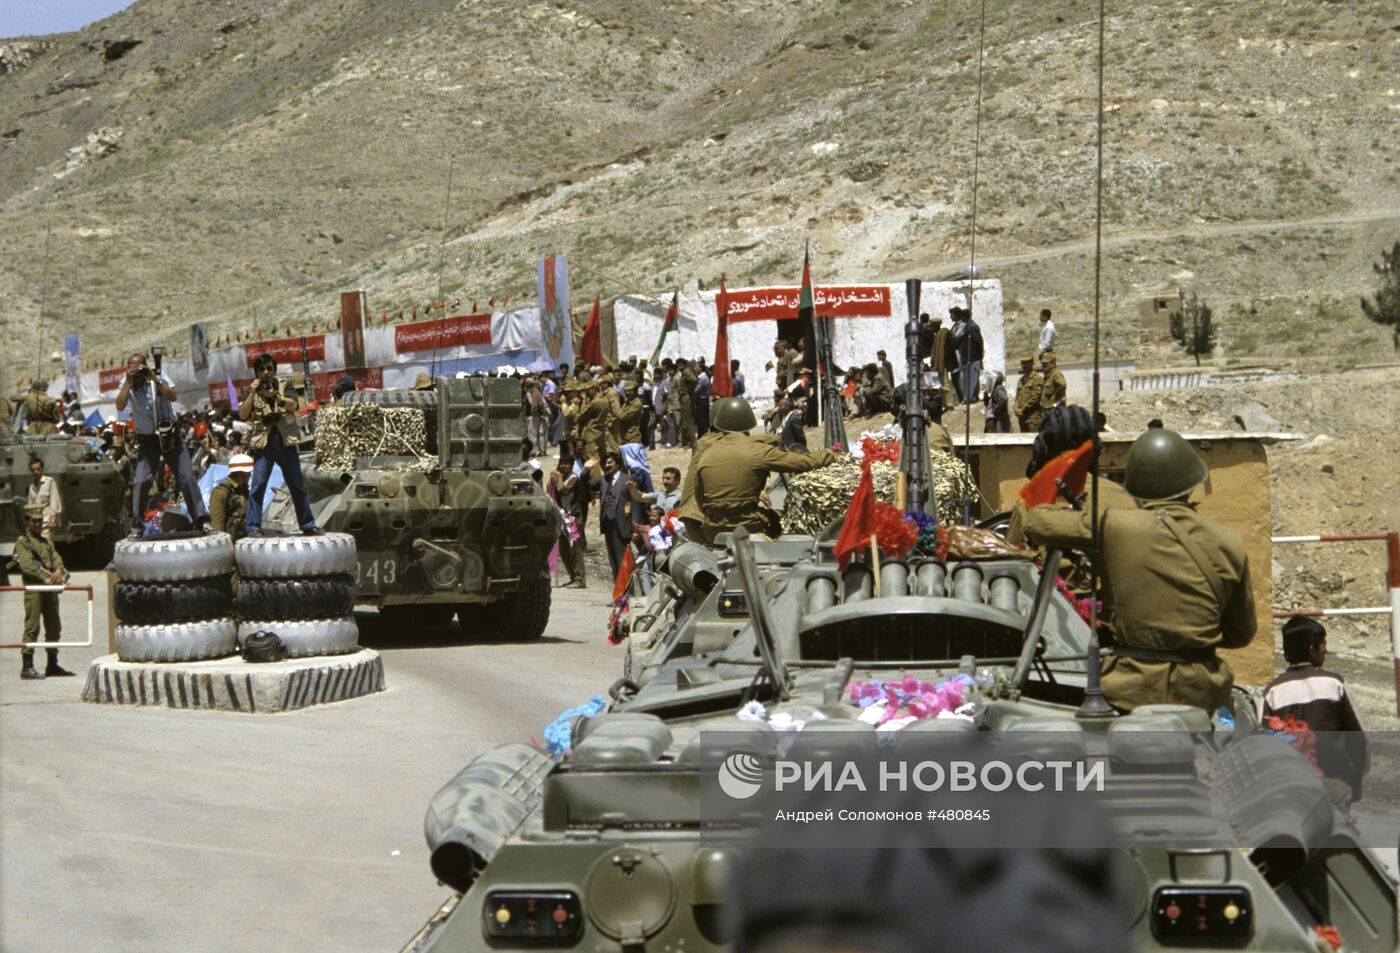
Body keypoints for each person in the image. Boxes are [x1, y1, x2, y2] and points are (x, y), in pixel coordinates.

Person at [1021, 428, 1255, 712]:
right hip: (1200, 693)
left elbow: (1036, 522)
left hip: (1131, 691)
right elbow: (1240, 634)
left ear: (1136, 488)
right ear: (1192, 483)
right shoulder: (1230, 542)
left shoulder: (1114, 525)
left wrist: (1071, 506)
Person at [690, 397, 835, 543]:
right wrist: (830, 454)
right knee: (781, 521)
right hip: (749, 528)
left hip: (713, 531)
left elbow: (699, 498)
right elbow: (803, 462)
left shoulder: (707, 454)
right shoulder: (758, 450)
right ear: (748, 421)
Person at [1261, 616, 1369, 805]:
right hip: (1335, 784)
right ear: (1312, 649)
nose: (1326, 650)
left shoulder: (1273, 691)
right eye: (1323, 644)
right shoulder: (1335, 683)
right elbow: (1359, 739)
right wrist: (1356, 780)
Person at [115, 351, 211, 535]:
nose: (137, 372)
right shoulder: (126, 383)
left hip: (169, 435)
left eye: (139, 367)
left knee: (186, 477)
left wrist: (155, 379)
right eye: (132, 368)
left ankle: (201, 519)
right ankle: (137, 526)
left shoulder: (157, 376)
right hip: (148, 439)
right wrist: (128, 381)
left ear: (146, 366)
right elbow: (119, 405)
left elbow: (172, 396)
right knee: (141, 481)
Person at [239, 353, 322, 537]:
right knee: (258, 485)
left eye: (269, 368)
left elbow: (293, 405)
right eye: (261, 369)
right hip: (264, 443)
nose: (266, 372)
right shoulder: (252, 390)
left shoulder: (285, 385)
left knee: (297, 485)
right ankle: (252, 527)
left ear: (274, 369)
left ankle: (307, 525)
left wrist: (276, 397)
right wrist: (253, 393)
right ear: (257, 372)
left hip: (285, 441)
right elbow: (243, 414)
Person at [15, 503, 74, 680]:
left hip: (49, 590)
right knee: (32, 627)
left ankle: (52, 663)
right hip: (35, 589)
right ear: (27, 522)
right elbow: (27, 565)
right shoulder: (23, 543)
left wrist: (58, 570)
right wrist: (44, 578)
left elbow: (56, 558)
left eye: (40, 521)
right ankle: (27, 666)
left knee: (54, 626)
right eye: (34, 521)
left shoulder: (46, 542)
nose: (37, 524)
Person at [593, 451, 633, 577]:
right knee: (613, 561)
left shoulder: (627, 480)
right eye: (605, 463)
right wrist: (585, 470)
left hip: (621, 525)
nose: (607, 465)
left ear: (618, 464)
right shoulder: (604, 480)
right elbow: (587, 484)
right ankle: (618, 593)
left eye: (610, 462)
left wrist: (635, 526)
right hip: (607, 524)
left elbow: (635, 504)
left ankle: (627, 593)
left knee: (623, 561)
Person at [209, 453, 253, 540]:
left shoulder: (243, 490)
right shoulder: (221, 492)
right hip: (227, 544)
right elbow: (217, 525)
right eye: (249, 473)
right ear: (243, 474)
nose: (250, 475)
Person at [25, 457, 62, 537]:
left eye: (38, 469)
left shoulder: (49, 482)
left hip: (46, 522)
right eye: (33, 470)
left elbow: (55, 502)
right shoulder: (32, 487)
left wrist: (52, 520)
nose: (36, 472)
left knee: (44, 545)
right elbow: (31, 506)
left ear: (41, 469)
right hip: (36, 524)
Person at [1013, 352, 1044, 433]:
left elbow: (1034, 398)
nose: (1024, 365)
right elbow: (1017, 398)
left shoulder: (1037, 379)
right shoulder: (1021, 380)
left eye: (1026, 362)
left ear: (1032, 363)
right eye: (1022, 363)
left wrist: (1022, 410)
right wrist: (1015, 409)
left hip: (1033, 420)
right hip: (1022, 419)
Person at [676, 358, 698, 448]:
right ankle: (687, 441)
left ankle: (693, 442)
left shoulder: (686, 371)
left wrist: (689, 389)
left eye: (681, 365)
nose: (679, 367)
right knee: (685, 420)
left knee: (688, 420)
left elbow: (694, 380)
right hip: (684, 397)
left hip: (686, 397)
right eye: (678, 365)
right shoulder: (684, 372)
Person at [1038, 349, 1067, 414]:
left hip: (1055, 411)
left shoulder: (1056, 374)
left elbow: (1062, 385)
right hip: (1047, 411)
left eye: (1046, 363)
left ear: (1052, 364)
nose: (1044, 365)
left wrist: (1055, 400)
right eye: (1043, 364)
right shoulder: (1047, 377)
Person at [693, 358, 712, 436]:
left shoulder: (703, 379)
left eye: (696, 367)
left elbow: (696, 391)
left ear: (701, 368)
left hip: (702, 402)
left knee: (702, 422)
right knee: (700, 422)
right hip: (701, 401)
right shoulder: (701, 377)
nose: (695, 369)